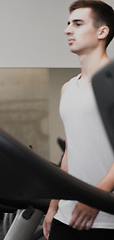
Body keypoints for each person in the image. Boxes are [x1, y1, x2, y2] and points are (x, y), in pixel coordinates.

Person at [43, 1, 114, 239]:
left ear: (102, 31)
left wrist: (97, 199)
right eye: (68, 24)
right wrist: (54, 206)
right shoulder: (68, 88)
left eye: (78, 23)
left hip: (106, 218)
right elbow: (69, 154)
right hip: (67, 214)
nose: (67, 30)